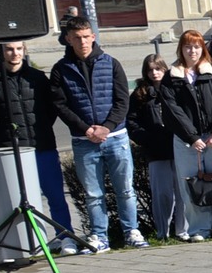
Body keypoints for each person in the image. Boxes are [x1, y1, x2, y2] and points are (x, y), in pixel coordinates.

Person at [0, 38, 76, 254]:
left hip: (42, 147)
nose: (14, 53)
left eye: (19, 49)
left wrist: (39, 130)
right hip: (12, 151)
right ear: (1, 52)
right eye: (9, 49)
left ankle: (65, 237)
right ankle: (30, 241)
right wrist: (5, 133)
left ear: (24, 50)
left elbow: (51, 110)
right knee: (20, 200)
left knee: (55, 196)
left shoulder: (38, 78)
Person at [50, 21, 144, 253]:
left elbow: (123, 100)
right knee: (93, 194)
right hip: (84, 142)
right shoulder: (61, 69)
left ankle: (131, 231)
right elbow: (60, 105)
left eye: (85, 36)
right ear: (68, 39)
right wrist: (86, 129)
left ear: (93, 36)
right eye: (76, 37)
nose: (82, 41)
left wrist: (107, 127)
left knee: (125, 190)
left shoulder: (111, 64)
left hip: (116, 138)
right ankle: (99, 236)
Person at [161, 31, 212, 241]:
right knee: (190, 183)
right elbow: (171, 110)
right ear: (181, 49)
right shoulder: (172, 77)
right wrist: (192, 137)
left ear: (202, 49)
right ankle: (198, 228)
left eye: (196, 47)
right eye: (187, 47)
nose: (192, 51)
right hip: (187, 141)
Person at [129, 55, 187, 240]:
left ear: (165, 69)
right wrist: (145, 138)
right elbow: (132, 121)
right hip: (156, 151)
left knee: (182, 192)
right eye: (150, 70)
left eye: (158, 69)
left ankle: (183, 231)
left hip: (178, 147)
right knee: (162, 194)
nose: (154, 73)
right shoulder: (140, 94)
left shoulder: (176, 89)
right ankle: (163, 232)